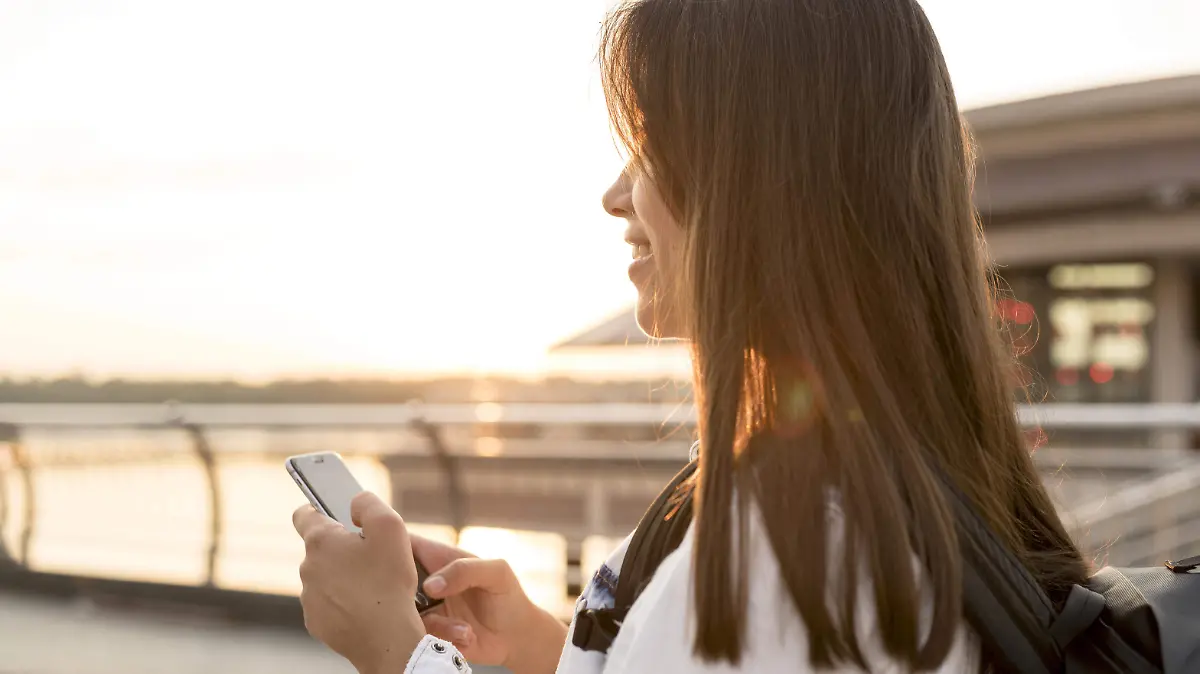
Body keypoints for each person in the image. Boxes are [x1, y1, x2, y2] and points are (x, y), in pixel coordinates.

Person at [291, 0, 1090, 671]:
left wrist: (396, 651)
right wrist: (541, 643)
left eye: (648, 145)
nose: (615, 194)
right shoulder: (896, 485)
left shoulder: (783, 563)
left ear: (756, 175)